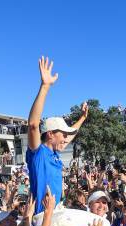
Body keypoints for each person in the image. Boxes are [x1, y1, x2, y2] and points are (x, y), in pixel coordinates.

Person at [26, 56, 88, 214]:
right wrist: (45, 87)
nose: (66, 138)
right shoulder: (38, 153)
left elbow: (71, 135)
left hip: (57, 212)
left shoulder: (54, 153)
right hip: (41, 217)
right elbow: (33, 125)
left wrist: (82, 118)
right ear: (51, 134)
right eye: (63, 134)